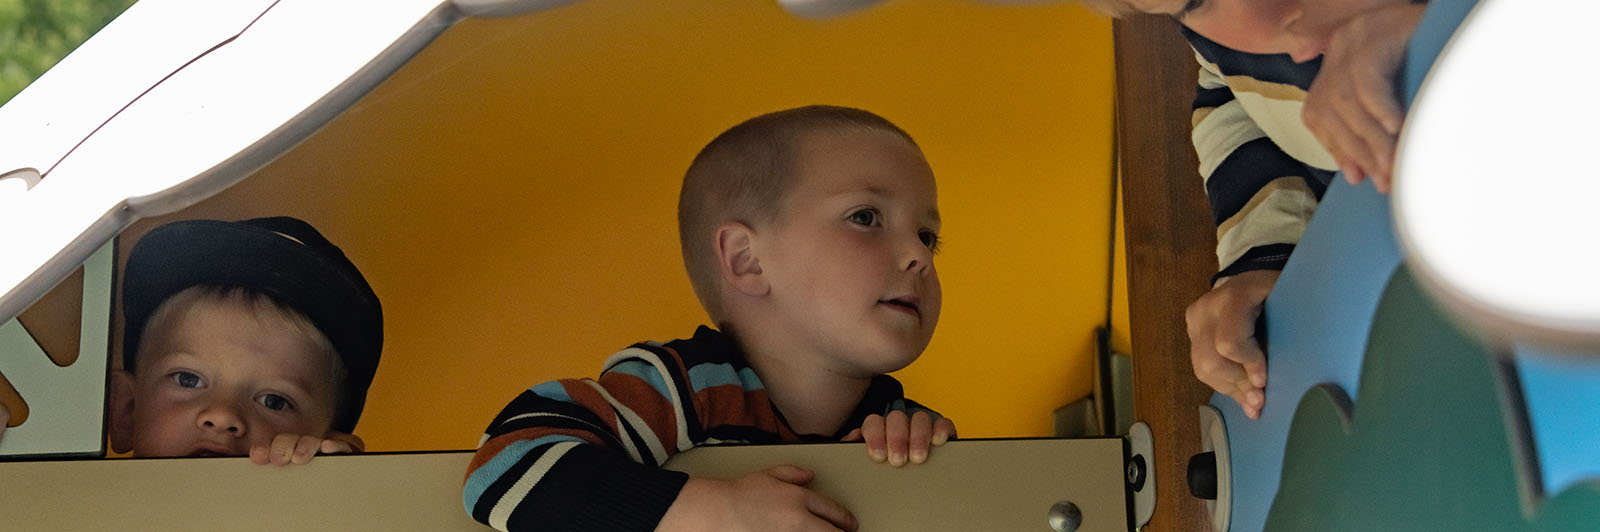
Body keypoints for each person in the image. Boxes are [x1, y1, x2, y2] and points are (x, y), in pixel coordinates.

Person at [463, 105, 957, 532]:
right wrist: (708, 511)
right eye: (866, 217)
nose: (919, 254)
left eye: (928, 235)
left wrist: (923, 460)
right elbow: (503, 462)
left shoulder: (897, 424)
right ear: (747, 259)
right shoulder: (684, 390)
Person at [1079, 0, 1427, 418]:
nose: (1271, 12)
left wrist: (1439, 25)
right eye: (1194, 3)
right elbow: (1229, 93)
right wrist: (1260, 253)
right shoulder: (1223, 44)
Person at [108, 216, 383, 465]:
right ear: (126, 411)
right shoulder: (73, 510)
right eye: (187, 379)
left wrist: (330, 494)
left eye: (274, 401)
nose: (223, 416)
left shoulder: (322, 517)